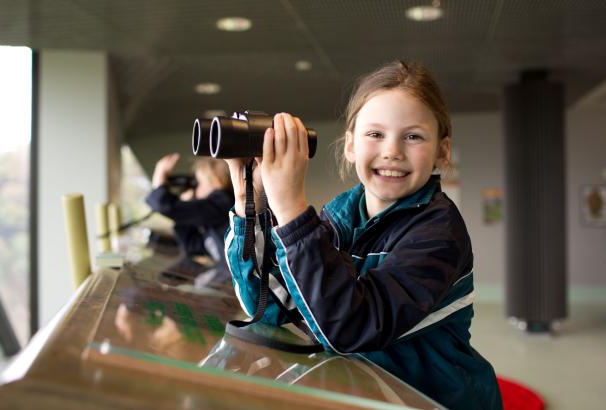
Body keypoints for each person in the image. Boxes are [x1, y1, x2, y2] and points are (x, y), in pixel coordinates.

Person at [223, 61, 502, 409]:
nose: (392, 151)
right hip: (366, 391)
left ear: (442, 151)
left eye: (413, 136)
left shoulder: (438, 231)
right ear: (350, 145)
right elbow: (274, 308)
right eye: (375, 134)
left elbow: (350, 329)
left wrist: (292, 208)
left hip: (429, 398)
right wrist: (249, 203)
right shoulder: (343, 213)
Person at [146, 154, 234, 288]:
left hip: (232, 283)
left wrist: (159, 179)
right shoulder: (214, 220)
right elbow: (193, 246)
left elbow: (165, 206)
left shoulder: (223, 202)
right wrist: (185, 207)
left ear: (216, 181)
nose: (195, 188)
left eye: (199, 183)